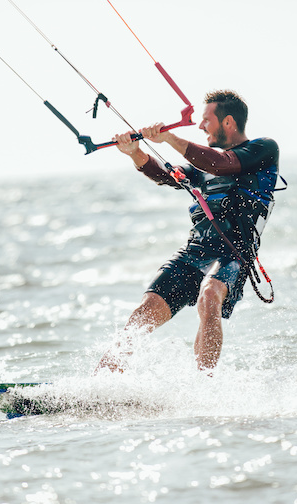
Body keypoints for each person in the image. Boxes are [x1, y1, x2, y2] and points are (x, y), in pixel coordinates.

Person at [96, 89, 280, 372]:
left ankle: (202, 387)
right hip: (196, 250)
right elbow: (165, 175)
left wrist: (169, 138)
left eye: (207, 120)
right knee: (143, 313)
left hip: (233, 252)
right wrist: (135, 153)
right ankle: (99, 386)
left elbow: (221, 165)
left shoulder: (263, 150)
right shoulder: (202, 165)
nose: (200, 126)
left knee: (209, 297)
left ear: (228, 122)